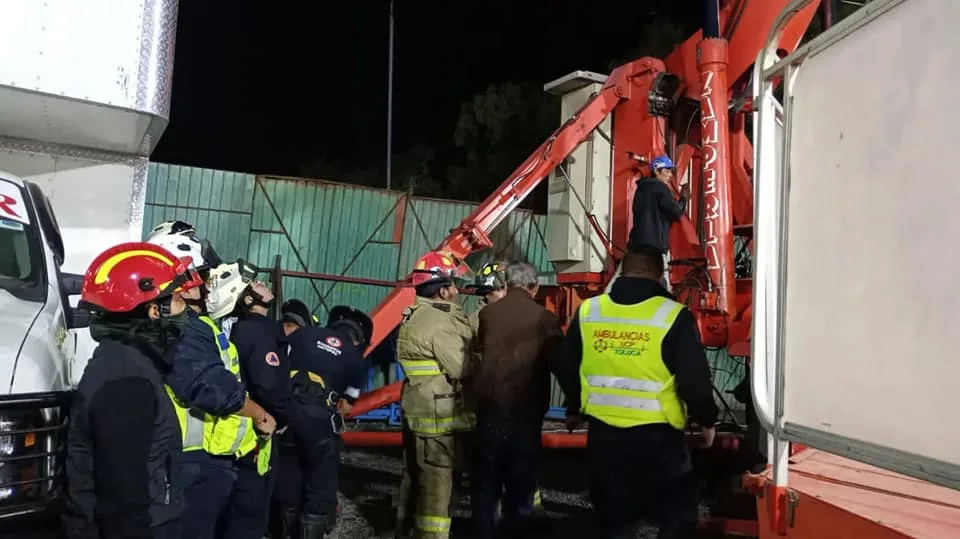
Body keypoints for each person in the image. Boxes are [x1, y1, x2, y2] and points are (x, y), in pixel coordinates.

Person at [554, 245, 719, 539]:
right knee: (676, 518)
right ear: (660, 273)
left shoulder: (589, 311)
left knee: (616, 520)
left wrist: (575, 407)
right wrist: (706, 419)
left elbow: (566, 366)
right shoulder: (674, 315)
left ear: (624, 271)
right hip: (660, 440)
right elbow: (694, 378)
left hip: (604, 437)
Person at [62, 242, 204, 539]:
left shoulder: (131, 364)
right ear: (155, 310)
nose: (186, 311)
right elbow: (123, 501)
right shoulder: (127, 380)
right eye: (178, 300)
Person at [146, 224, 277, 539]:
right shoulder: (184, 328)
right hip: (190, 462)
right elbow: (212, 388)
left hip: (199, 461)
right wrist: (260, 414)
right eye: (201, 274)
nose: (207, 283)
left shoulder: (194, 324)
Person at [470, 262, 563, 539]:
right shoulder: (545, 319)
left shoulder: (487, 315)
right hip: (525, 416)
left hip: (489, 413)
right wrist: (576, 401)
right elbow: (561, 363)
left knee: (486, 483)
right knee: (520, 484)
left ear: (506, 284)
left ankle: (483, 532)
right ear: (533, 287)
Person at [394, 251, 474, 539]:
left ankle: (405, 531)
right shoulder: (438, 322)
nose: (456, 291)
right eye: (453, 285)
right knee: (437, 486)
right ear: (443, 289)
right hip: (438, 419)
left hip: (421, 413)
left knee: (415, 479)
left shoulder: (418, 314)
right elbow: (463, 367)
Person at [280, 304, 373, 539]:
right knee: (320, 484)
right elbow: (346, 406)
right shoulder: (356, 359)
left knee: (288, 477)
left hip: (285, 416)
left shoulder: (301, 334)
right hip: (320, 425)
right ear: (358, 339)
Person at [218, 263, 290, 539]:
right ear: (247, 299)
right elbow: (268, 384)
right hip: (257, 433)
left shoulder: (249, 329)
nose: (264, 285)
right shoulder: (258, 331)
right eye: (255, 285)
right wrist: (284, 417)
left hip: (246, 429)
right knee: (249, 514)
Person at [621, 155, 689, 292]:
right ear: (657, 171)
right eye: (667, 171)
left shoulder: (640, 190)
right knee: (658, 285)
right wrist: (684, 198)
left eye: (671, 171)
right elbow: (676, 212)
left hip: (635, 246)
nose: (670, 175)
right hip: (654, 247)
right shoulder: (660, 188)